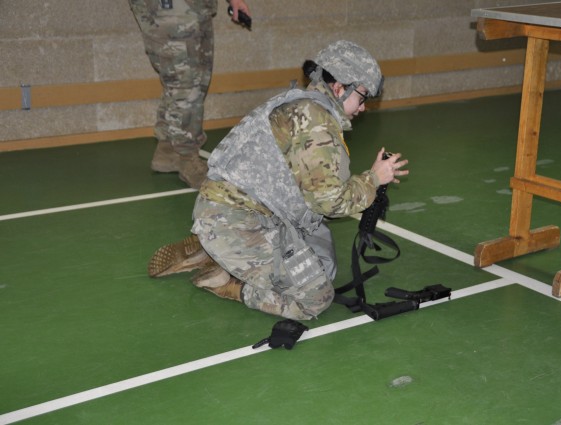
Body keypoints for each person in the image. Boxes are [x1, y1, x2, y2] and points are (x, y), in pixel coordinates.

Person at [147, 40, 409, 320]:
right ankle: (231, 281)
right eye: (363, 96)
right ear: (339, 87)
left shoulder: (301, 104)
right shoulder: (316, 124)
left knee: (324, 264)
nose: (363, 107)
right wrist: (373, 179)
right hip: (236, 219)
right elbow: (330, 203)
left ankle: (218, 251)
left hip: (250, 211)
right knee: (315, 297)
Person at [128, 0, 251, 188]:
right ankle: (186, 156)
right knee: (185, 80)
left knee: (197, 77)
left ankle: (168, 150)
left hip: (196, 6)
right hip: (169, 7)